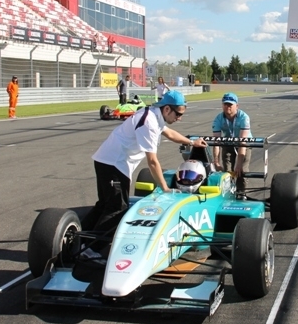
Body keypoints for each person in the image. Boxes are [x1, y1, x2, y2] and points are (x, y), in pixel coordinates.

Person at [81, 91, 208, 233]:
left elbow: (170, 133)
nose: (180, 119)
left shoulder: (153, 114)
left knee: (104, 205)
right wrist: (165, 188)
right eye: (178, 114)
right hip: (115, 164)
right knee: (117, 209)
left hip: (106, 160)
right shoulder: (150, 123)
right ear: (167, 109)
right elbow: (152, 161)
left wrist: (192, 142)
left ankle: (79, 239)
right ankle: (94, 246)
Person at [212, 92, 251, 194]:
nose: (227, 107)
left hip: (243, 143)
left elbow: (242, 142)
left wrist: (239, 164)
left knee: (241, 170)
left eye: (230, 104)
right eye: (225, 104)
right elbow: (216, 142)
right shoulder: (218, 119)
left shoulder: (244, 117)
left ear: (237, 106)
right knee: (227, 172)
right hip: (228, 143)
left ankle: (242, 194)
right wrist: (216, 162)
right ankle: (228, 193)